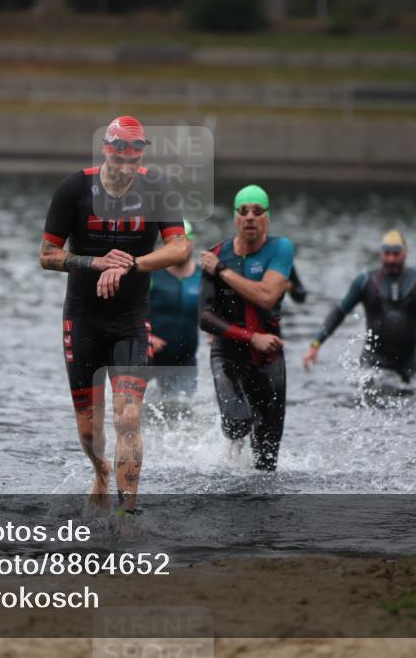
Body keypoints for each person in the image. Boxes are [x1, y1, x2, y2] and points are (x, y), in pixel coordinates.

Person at [38, 115, 190, 515]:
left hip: (130, 318)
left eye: (136, 151)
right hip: (83, 317)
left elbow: (180, 249)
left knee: (127, 417)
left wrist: (130, 265)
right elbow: (47, 256)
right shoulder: (75, 188)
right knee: (90, 430)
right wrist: (96, 263)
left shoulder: (156, 186)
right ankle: (100, 469)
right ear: (106, 149)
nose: (127, 161)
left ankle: (127, 515)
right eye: (120, 151)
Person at [199, 185, 295, 472]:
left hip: (268, 359)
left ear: (267, 217)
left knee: (267, 462)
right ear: (235, 217)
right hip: (228, 355)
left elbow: (267, 295)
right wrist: (251, 337)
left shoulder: (280, 248)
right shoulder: (217, 253)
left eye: (257, 211)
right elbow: (203, 317)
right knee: (238, 423)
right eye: (244, 211)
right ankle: (230, 462)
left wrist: (222, 272)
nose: (250, 216)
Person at [302, 229, 416, 382]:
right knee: (371, 400)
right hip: (372, 362)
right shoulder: (365, 281)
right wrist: (315, 345)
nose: (391, 259)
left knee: (408, 409)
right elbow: (339, 311)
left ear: (405, 254)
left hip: (407, 364)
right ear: (381, 254)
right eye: (387, 253)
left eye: (396, 253)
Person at [147, 219, 202, 414]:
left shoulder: (203, 278)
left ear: (192, 242)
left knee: (181, 413)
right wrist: (147, 338)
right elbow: (127, 311)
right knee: (138, 414)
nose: (180, 247)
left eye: (184, 240)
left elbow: (214, 312)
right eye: (173, 242)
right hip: (148, 358)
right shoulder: (152, 274)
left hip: (184, 360)